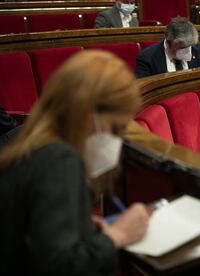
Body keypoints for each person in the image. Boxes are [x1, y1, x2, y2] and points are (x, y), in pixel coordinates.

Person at [0, 50, 151, 275]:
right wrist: (117, 235)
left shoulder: (26, 139)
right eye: (115, 129)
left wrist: (77, 223)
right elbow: (60, 267)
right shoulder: (60, 158)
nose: (115, 141)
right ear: (90, 115)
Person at [135, 16, 200, 78]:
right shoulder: (147, 58)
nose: (189, 51)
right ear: (169, 42)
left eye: (190, 46)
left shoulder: (197, 50)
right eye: (183, 48)